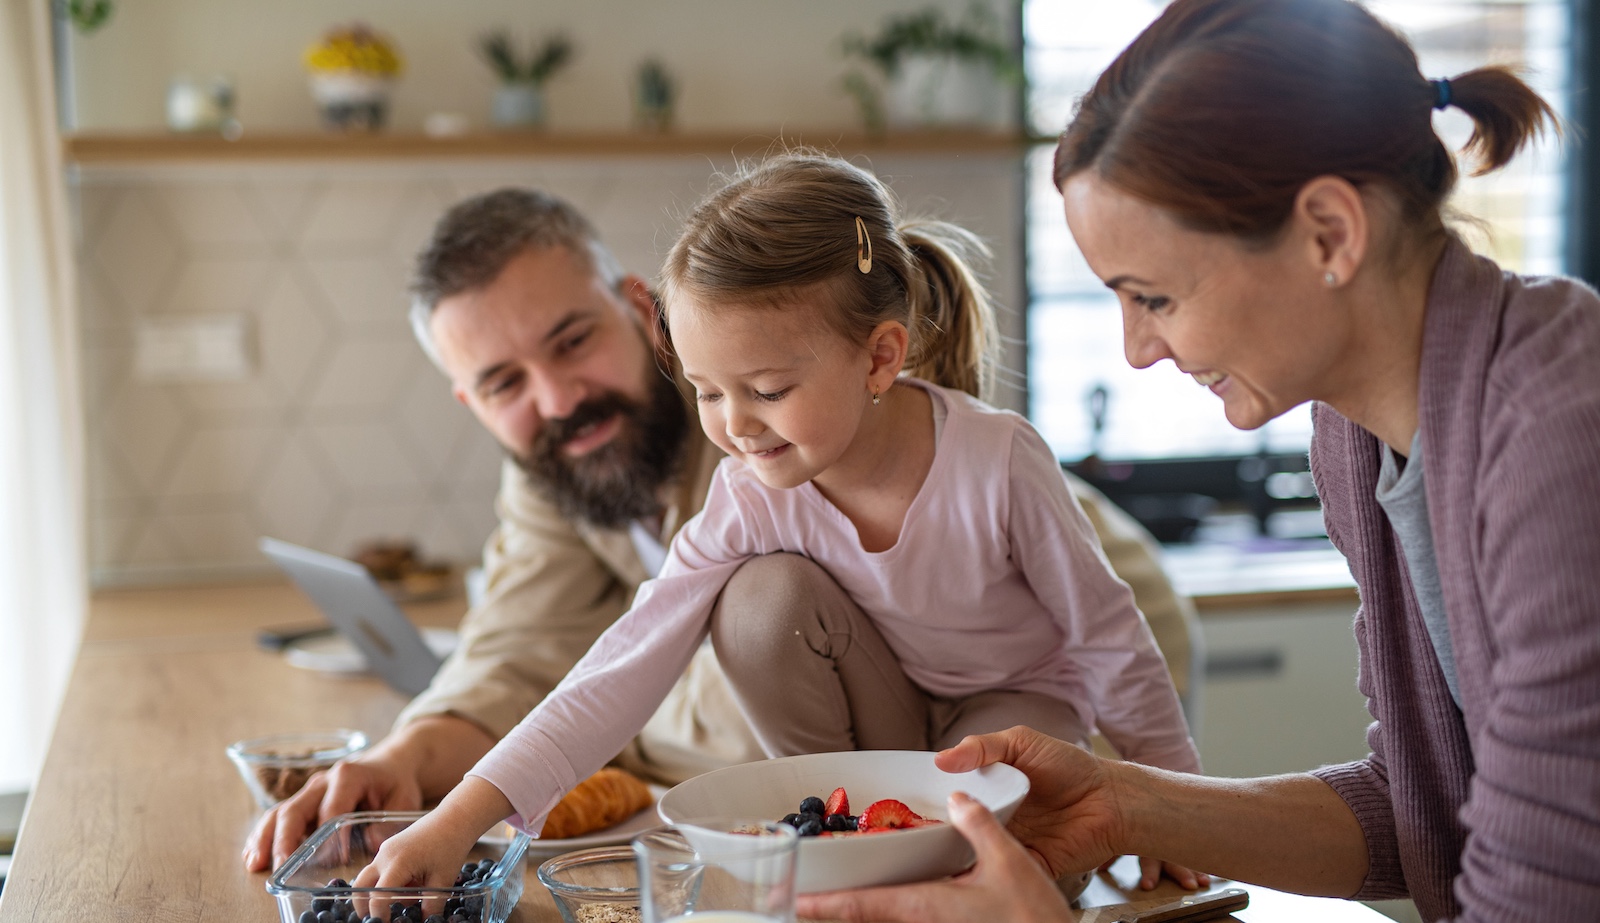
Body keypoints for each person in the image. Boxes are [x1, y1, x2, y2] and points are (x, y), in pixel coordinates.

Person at [798, 1, 1600, 921]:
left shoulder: (1558, 428)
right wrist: (1127, 802)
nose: (1139, 348)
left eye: (1156, 296)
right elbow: (1421, 812)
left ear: (1330, 234)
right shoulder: (1357, 436)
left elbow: (1546, 889)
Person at [242, 186, 1205, 879]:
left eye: (572, 341)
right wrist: (440, 793)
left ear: (639, 312)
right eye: (505, 383)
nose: (557, 397)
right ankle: (848, 852)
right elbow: (594, 660)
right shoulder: (714, 468)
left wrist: (1176, 806)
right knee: (758, 602)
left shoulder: (935, 444)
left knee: (1005, 846)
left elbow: (1111, 626)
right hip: (887, 715)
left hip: (1040, 692)